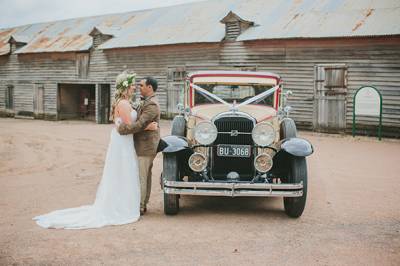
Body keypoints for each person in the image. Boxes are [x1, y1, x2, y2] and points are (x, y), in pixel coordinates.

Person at [33, 71, 157, 229]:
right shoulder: (124, 104)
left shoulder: (125, 102)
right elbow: (128, 128)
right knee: (123, 173)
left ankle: (124, 204)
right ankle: (120, 207)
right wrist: (147, 127)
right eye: (132, 85)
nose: (134, 87)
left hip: (123, 142)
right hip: (123, 142)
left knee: (123, 173)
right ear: (125, 87)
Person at [117, 77, 160, 215]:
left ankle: (140, 206)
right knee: (145, 175)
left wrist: (122, 129)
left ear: (150, 88)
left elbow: (140, 124)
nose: (138, 87)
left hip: (146, 146)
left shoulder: (151, 105)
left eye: (141, 85)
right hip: (144, 144)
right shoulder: (146, 102)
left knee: (142, 176)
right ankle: (143, 204)